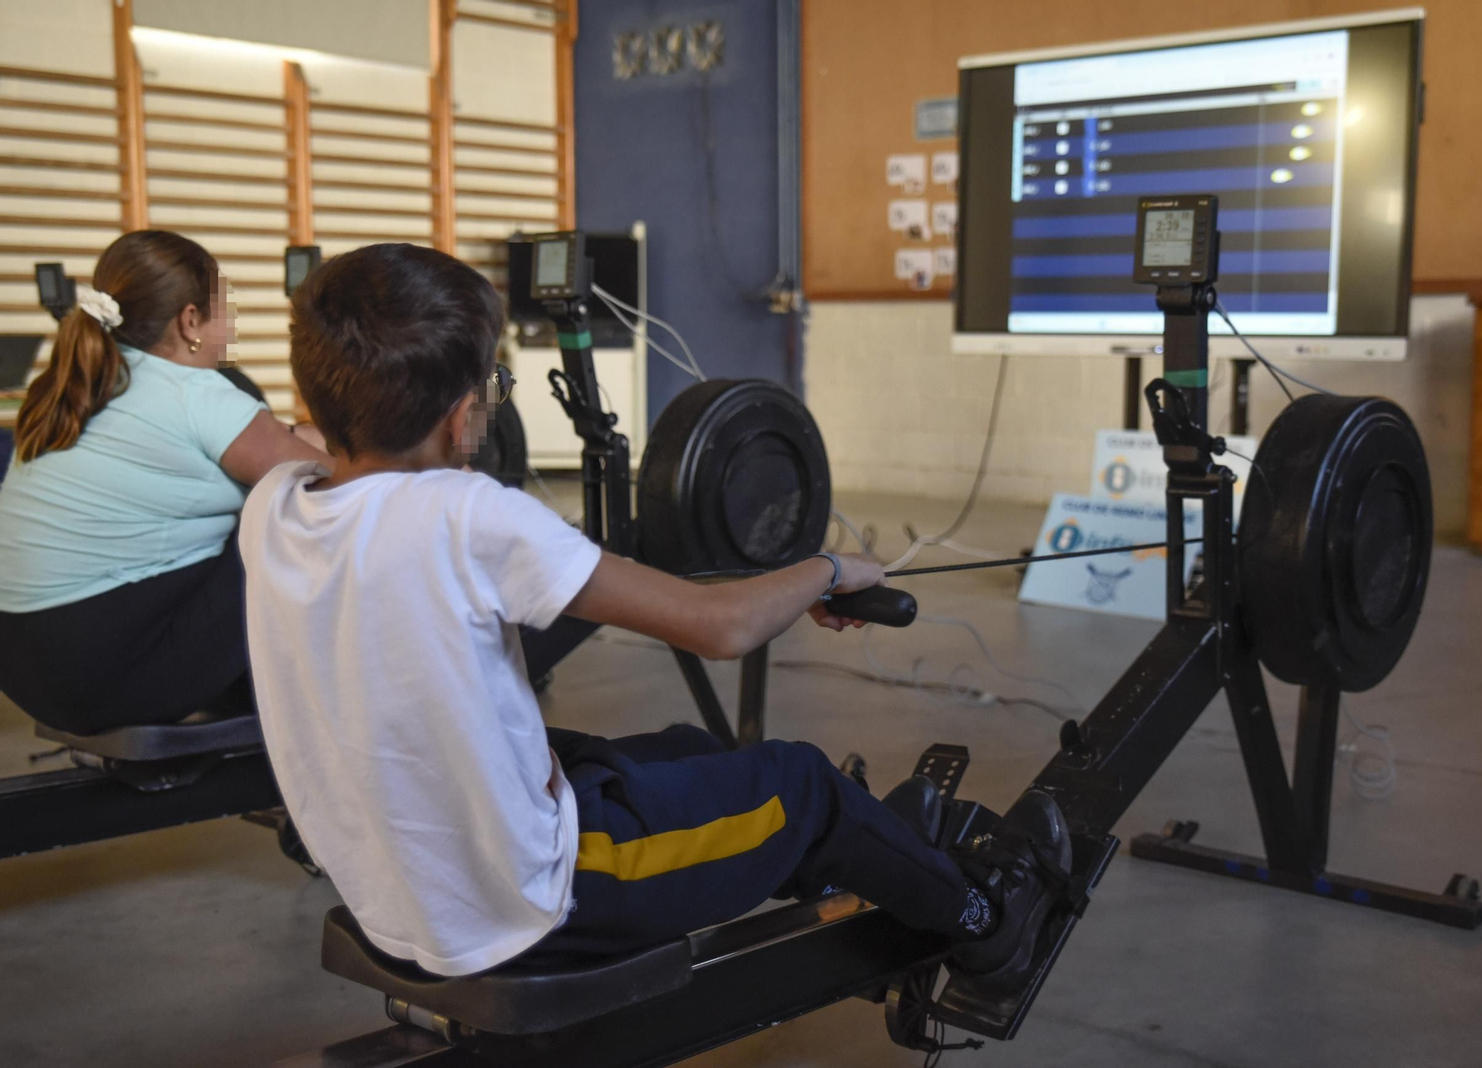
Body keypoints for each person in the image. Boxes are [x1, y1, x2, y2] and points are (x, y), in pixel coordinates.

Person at [241, 242, 1069, 990]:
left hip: (400, 892)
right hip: (532, 910)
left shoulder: (276, 504)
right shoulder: (467, 516)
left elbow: (340, 466)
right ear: (462, 415)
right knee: (804, 787)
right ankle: (989, 926)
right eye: (493, 386)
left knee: (679, 751)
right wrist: (826, 568)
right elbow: (720, 628)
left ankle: (865, 853)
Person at [0, 230, 330, 733]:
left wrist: (299, 436)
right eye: (227, 310)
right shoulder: (196, 393)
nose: (232, 325)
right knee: (291, 514)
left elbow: (279, 443)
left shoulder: (83, 386)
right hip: (102, 677)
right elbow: (331, 479)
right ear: (191, 320)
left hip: (27, 668)